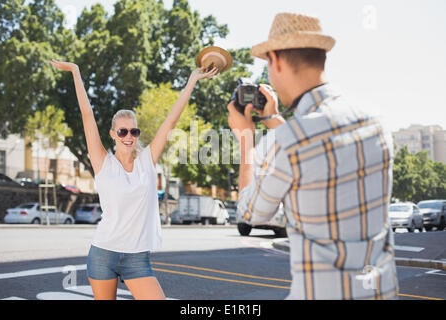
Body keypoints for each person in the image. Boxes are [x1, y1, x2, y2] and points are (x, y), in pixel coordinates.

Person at [227, 13, 398, 299]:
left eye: (268, 64)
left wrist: (246, 141)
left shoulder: (287, 142)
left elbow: (250, 213)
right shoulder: (375, 120)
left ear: (276, 60)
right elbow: (319, 147)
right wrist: (273, 118)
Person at [49, 59, 217, 300]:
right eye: (123, 131)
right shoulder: (103, 162)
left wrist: (191, 81)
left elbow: (171, 121)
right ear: (113, 134)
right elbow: (87, 115)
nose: (129, 136)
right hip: (103, 254)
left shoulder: (146, 161)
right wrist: (75, 71)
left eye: (134, 131)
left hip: (137, 258)